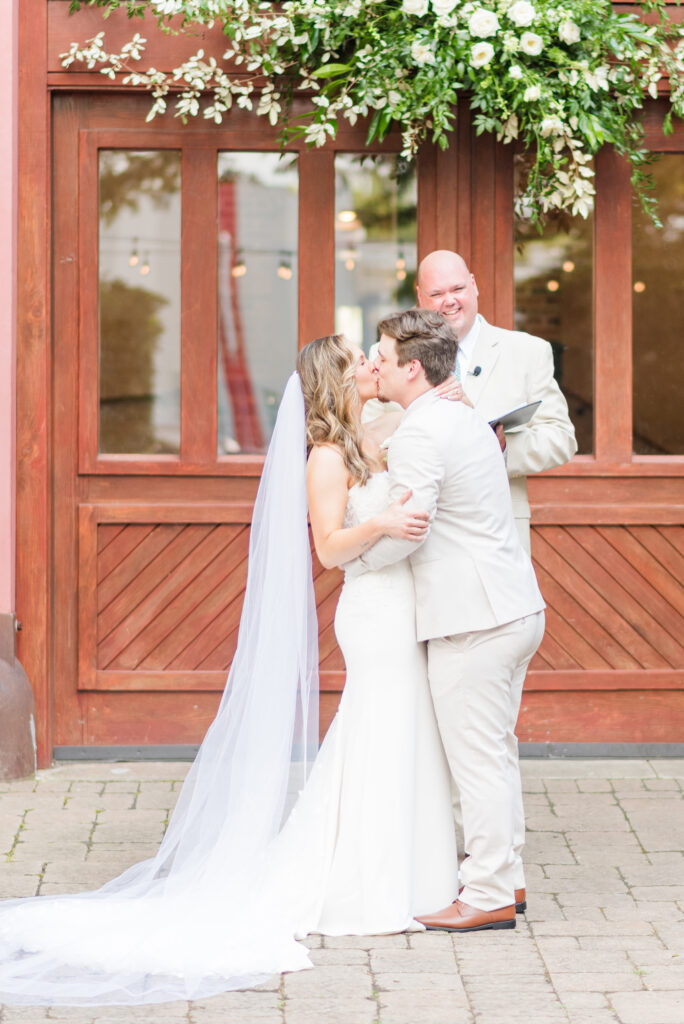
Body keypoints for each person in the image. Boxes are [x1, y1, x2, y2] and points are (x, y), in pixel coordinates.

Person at [0, 335, 459, 1007]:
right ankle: (367, 881)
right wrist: (385, 520)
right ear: (336, 380)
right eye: (358, 359)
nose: (370, 364)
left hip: (396, 611)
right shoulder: (328, 458)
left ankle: (408, 871)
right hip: (370, 616)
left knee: (388, 739)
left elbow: (420, 426)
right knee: (377, 734)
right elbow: (330, 550)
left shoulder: (368, 438)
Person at [349, 309, 546, 932]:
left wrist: (354, 558)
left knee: (478, 761)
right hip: (514, 606)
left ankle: (486, 893)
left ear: (413, 368)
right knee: (496, 752)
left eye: (381, 353)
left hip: (474, 619)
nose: (373, 362)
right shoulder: (458, 414)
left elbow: (410, 528)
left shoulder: (420, 433)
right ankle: (506, 879)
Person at [415, 250, 577, 552]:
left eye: (458, 289)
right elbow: (375, 437)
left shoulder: (528, 352)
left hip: (500, 535)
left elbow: (561, 437)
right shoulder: (393, 357)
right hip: (422, 536)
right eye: (436, 293)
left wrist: (502, 446)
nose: (449, 301)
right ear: (420, 297)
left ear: (474, 285)